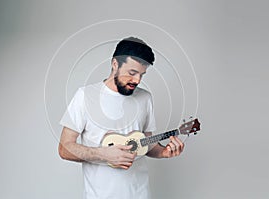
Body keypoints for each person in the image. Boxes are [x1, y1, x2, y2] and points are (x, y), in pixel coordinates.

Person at [58, 37, 184, 199]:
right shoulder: (85, 96)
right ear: (115, 64)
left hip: (140, 194)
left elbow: (147, 144)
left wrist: (164, 152)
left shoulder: (145, 98)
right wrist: (104, 155)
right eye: (132, 73)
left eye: (141, 75)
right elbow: (64, 149)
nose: (137, 80)